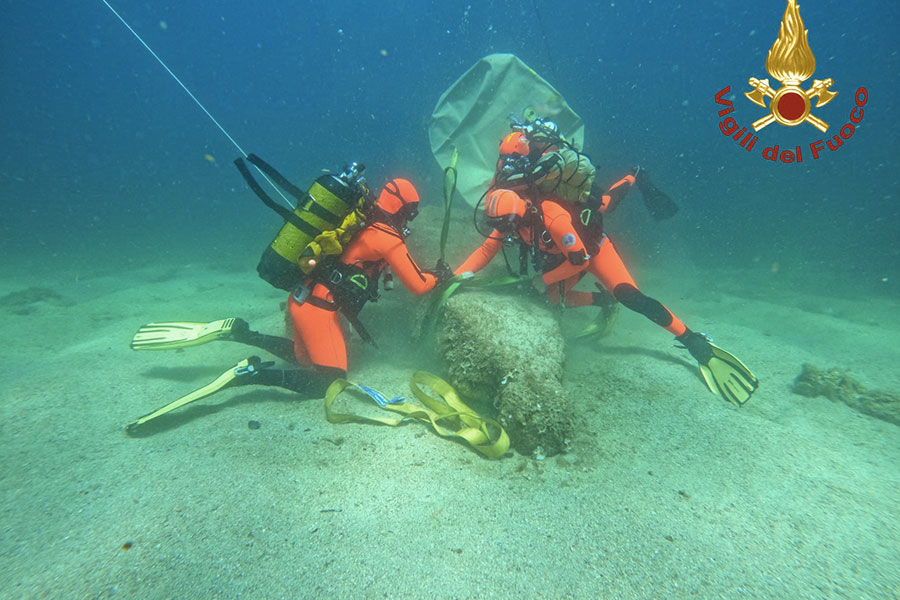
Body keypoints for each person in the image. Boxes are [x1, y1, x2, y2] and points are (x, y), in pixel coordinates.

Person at [454, 120, 758, 406]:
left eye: (508, 227)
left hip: (593, 251)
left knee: (629, 292)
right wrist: (454, 277)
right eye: (503, 228)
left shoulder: (550, 215)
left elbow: (581, 259)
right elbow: (485, 250)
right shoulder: (511, 216)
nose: (506, 234)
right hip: (565, 254)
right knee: (549, 298)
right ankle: (604, 302)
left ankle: (692, 341)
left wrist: (541, 278)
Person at [127, 174, 452, 431]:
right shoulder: (388, 237)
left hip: (300, 299)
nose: (413, 218)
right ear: (403, 209)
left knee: (303, 360)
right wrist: (440, 276)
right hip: (319, 312)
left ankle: (241, 333)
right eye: (413, 211)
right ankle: (249, 375)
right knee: (329, 380)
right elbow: (419, 286)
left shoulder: (359, 220)